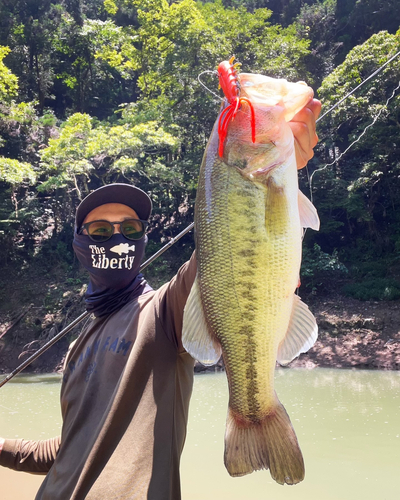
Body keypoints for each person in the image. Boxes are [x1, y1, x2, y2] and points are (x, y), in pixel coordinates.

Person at [0, 99, 321, 499]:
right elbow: (70, 451)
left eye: (130, 228)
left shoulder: (163, 314)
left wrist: (264, 173)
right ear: (80, 244)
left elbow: (218, 257)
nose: (117, 239)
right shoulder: (81, 345)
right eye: (101, 231)